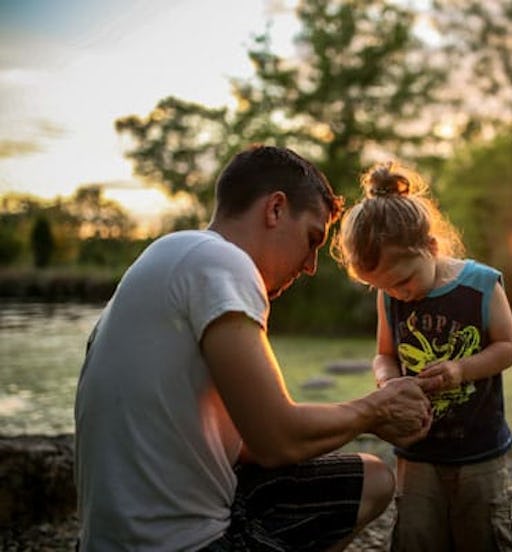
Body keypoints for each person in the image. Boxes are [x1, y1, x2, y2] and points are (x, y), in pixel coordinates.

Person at [74, 145, 433, 551]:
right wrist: (376, 409)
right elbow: (275, 439)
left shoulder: (169, 257)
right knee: (372, 479)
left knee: (371, 479)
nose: (311, 265)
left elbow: (246, 447)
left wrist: (358, 417)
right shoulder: (222, 261)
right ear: (275, 209)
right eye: (312, 239)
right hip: (181, 545)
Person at [331, 161, 512, 551]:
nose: (399, 294)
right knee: (417, 533)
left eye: (403, 281)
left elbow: (507, 348)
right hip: (417, 448)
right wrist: (389, 382)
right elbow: (384, 355)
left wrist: (459, 369)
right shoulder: (391, 295)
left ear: (431, 248)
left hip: (478, 445)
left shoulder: (481, 284)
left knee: (483, 530)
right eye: (384, 288)